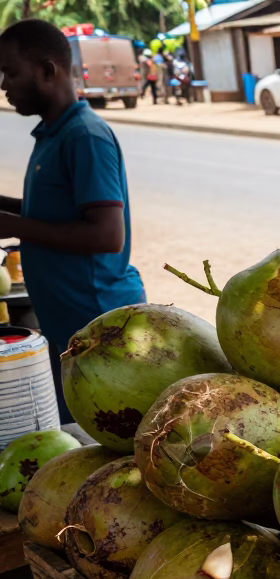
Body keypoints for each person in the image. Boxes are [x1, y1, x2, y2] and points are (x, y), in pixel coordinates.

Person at [0, 19, 146, 422]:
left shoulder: (85, 136)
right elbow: (53, 210)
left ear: (48, 71)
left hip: (98, 321)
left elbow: (106, 234)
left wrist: (14, 226)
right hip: (69, 323)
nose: (3, 85)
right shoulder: (52, 134)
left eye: (11, 72)